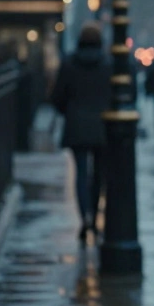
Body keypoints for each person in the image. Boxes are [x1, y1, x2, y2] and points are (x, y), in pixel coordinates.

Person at [49, 21, 113, 243]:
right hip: (102, 126)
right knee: (98, 176)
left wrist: (69, 110)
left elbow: (57, 96)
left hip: (77, 124)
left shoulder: (69, 63)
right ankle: (95, 218)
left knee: (80, 174)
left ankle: (83, 218)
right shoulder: (108, 64)